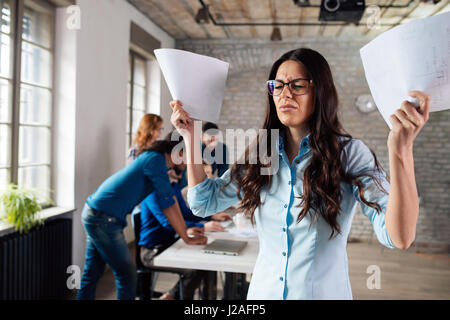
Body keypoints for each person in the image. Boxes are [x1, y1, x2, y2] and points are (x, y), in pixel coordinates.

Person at [169, 48, 430, 300]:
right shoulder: (260, 155)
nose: (285, 94)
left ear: (320, 91)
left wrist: (402, 150)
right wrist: (190, 137)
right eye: (279, 85)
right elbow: (203, 203)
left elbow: (399, 236)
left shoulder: (349, 154)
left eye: (298, 85)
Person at [77, 139, 207, 300]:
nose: (189, 164)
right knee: (127, 275)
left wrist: (185, 236)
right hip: (103, 218)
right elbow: (167, 204)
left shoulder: (157, 161)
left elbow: (170, 201)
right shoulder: (155, 160)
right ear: (179, 152)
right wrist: (185, 236)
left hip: (96, 214)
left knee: (93, 272)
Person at [139, 170, 232, 300]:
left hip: (171, 243)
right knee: (194, 270)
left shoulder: (173, 185)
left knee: (204, 264)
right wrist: (203, 226)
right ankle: (172, 296)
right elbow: (167, 222)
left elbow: (185, 213)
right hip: (153, 251)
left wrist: (211, 216)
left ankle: (174, 296)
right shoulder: (151, 190)